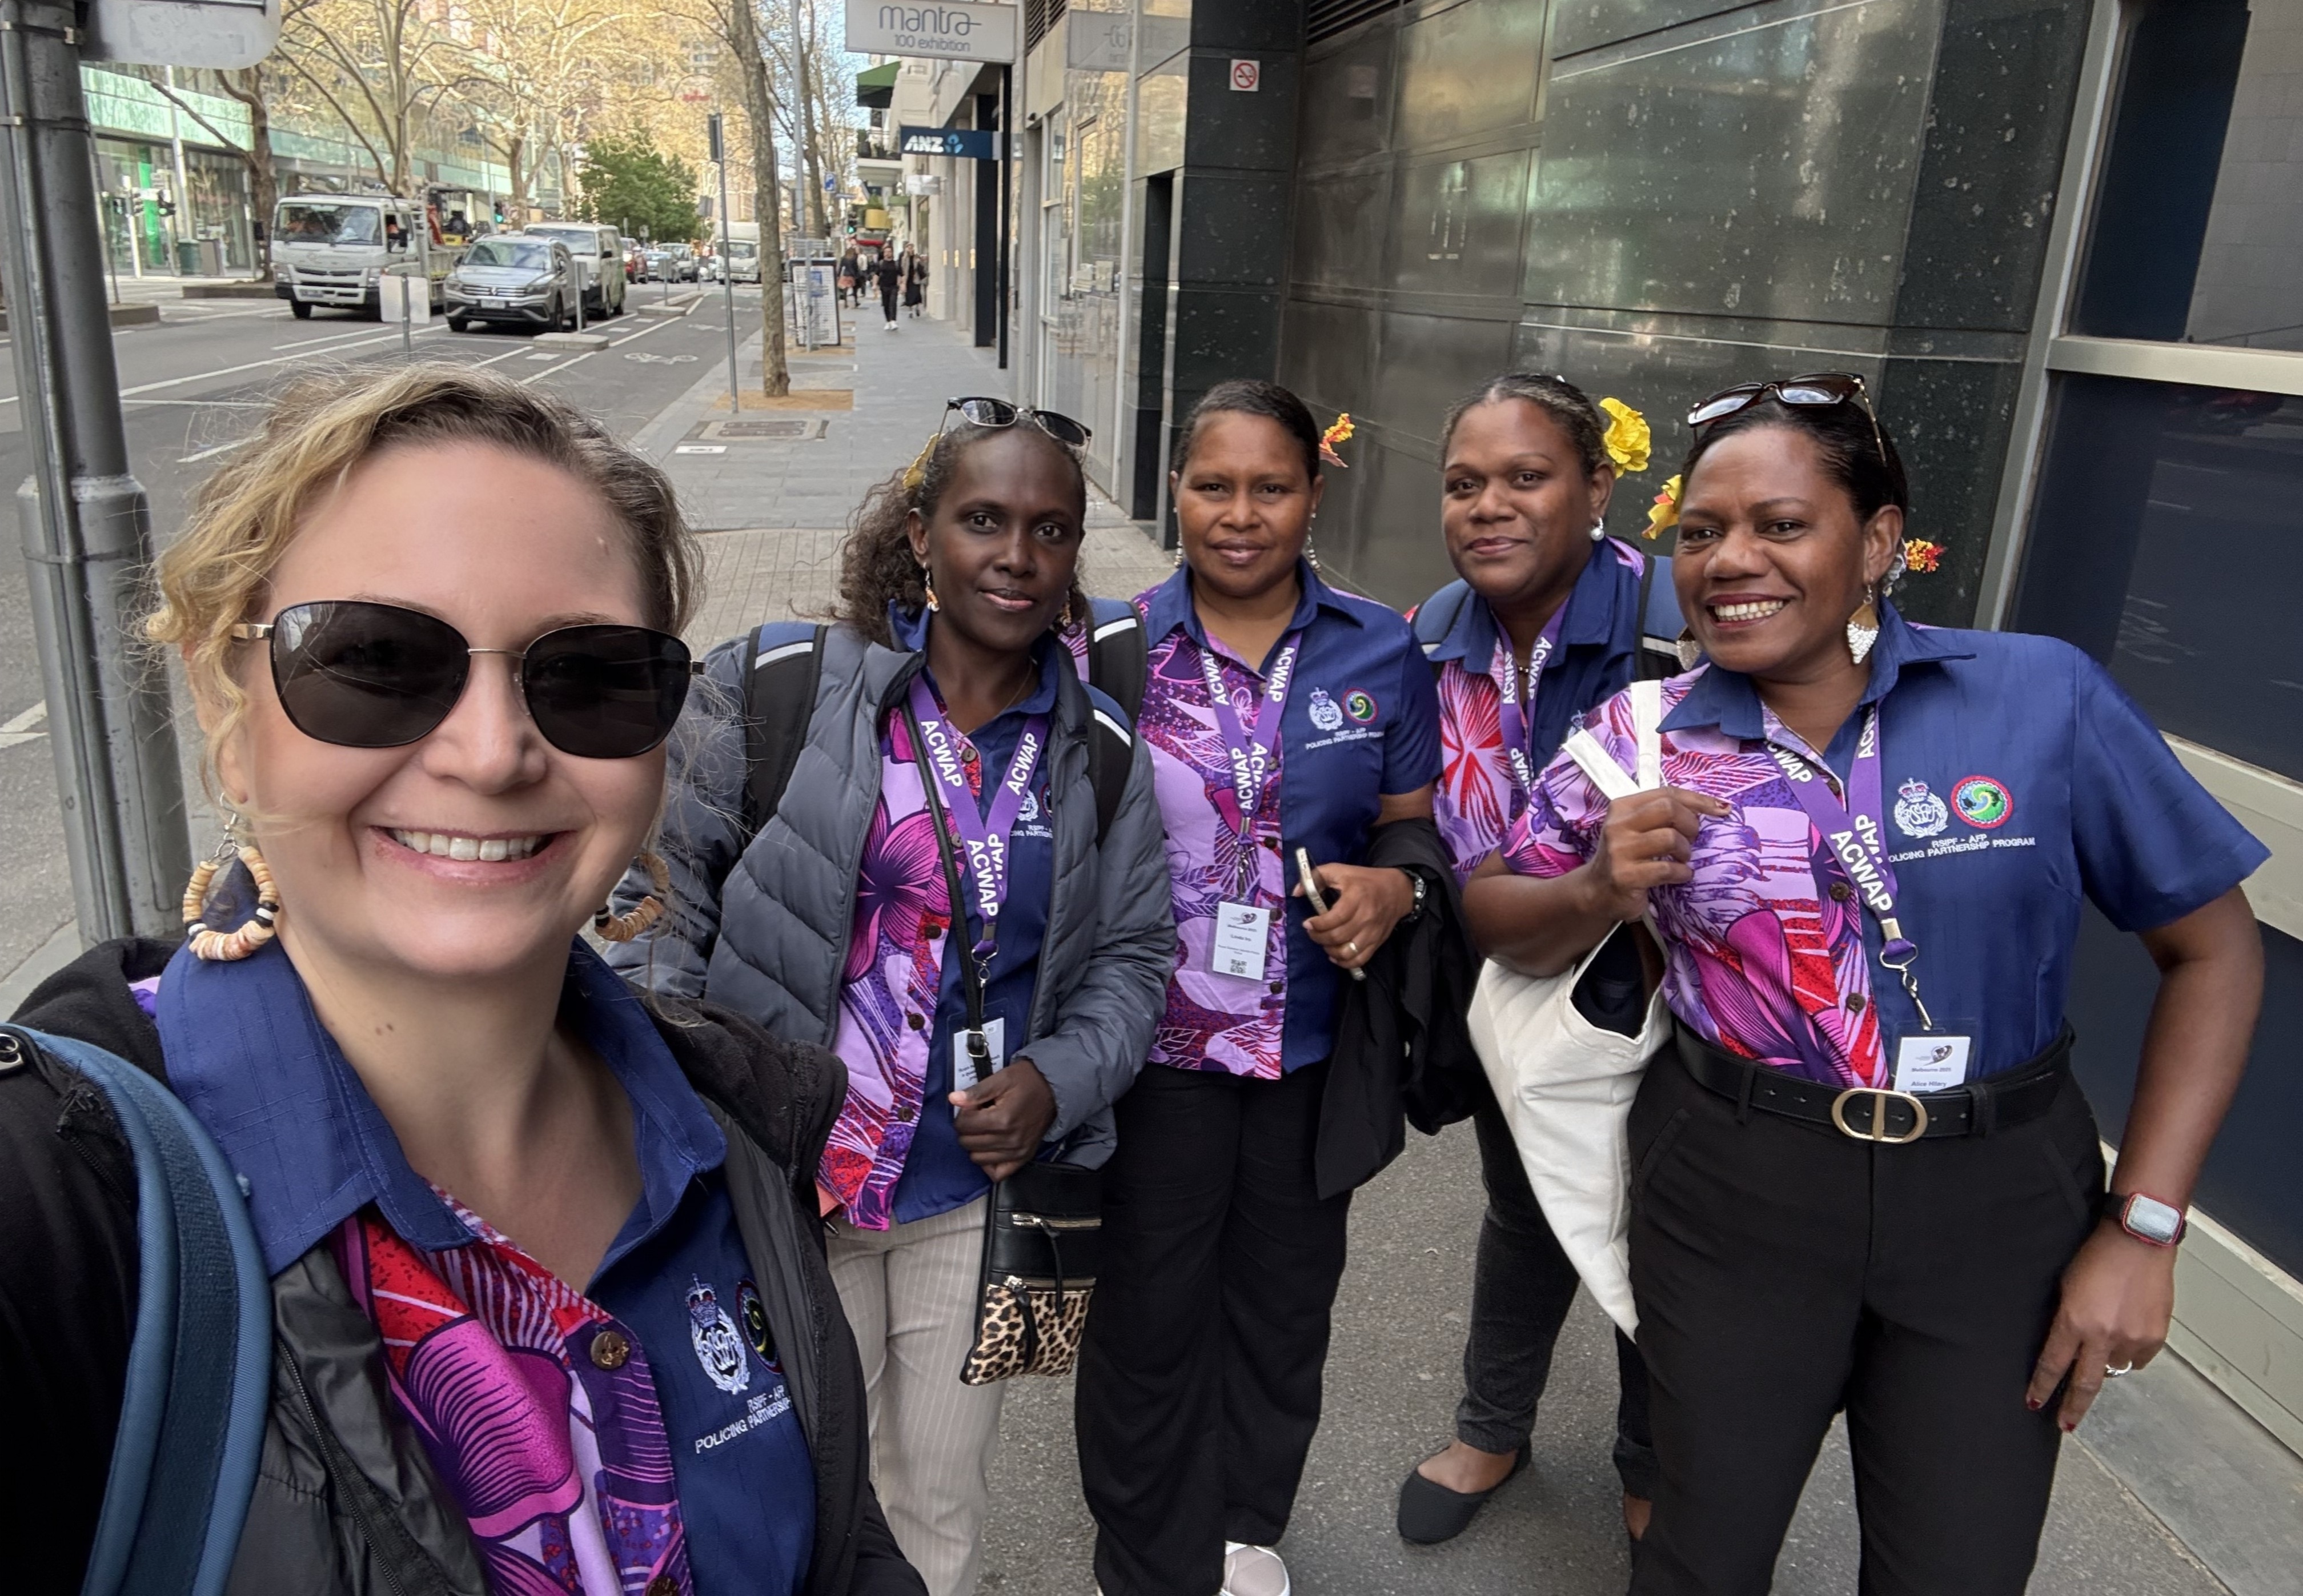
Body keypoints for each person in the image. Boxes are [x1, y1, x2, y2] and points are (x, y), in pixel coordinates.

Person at [0, 363, 924, 1596]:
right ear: (231, 706)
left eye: (587, 672)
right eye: (375, 659)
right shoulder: (61, 1205)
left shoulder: (738, 1126)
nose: (491, 753)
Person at [1466, 375, 2267, 1595]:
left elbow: (2213, 949)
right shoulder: (1640, 734)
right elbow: (1495, 916)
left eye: (1781, 524)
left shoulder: (2036, 695)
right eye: (1701, 531)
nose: (1732, 559)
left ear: (1879, 539)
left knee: (1959, 1564)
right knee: (1698, 1553)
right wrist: (1593, 886)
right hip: (1736, 1183)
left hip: (1998, 1200)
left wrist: (2143, 1226)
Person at [607, 398, 1174, 1596]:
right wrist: (694, 1105)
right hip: (787, 1183)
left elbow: (1134, 957)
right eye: (983, 519)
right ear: (921, 534)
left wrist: (1057, 1077)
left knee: (939, 1498)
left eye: (1050, 529)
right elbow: (657, 902)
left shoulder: (1099, 748)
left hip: (968, 1191)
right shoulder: (781, 687)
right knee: (812, 1487)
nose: (1016, 554)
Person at [1075, 379, 1449, 1596]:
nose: (1240, 514)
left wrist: (1396, 887)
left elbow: (1410, 828)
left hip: (1311, 1051)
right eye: (1213, 485)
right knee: (1149, 1314)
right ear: (1175, 489)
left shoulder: (1381, 647)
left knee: (1283, 1311)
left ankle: (1242, 1526)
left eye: (1270, 487)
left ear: (1313, 494)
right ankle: (1146, 1553)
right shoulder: (1110, 648)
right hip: (1154, 1053)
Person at [1398, 374, 1663, 1547]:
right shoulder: (1431, 635)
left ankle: (1653, 1462)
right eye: (1465, 483)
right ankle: (1493, 1426)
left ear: (1596, 486)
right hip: (1506, 986)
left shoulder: (1670, 626)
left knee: (1656, 1227)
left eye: (1526, 477)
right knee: (1526, 1203)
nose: (1489, 505)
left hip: (1664, 998)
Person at [877, 252, 901, 331]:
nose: (888, 253)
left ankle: (893, 321)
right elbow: (877, 274)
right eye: (886, 252)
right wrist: (874, 285)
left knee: (893, 303)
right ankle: (888, 322)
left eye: (890, 252)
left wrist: (901, 284)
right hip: (884, 287)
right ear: (884, 254)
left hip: (894, 286)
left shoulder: (896, 264)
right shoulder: (881, 264)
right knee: (886, 305)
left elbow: (901, 274)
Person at [903, 247, 928, 319]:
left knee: (917, 294)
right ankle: (910, 311)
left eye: (912, 249)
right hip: (908, 279)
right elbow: (902, 268)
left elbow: (922, 267)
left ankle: (917, 308)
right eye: (909, 249)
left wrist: (919, 262)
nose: (911, 251)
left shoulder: (916, 258)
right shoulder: (905, 259)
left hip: (916, 279)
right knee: (909, 295)